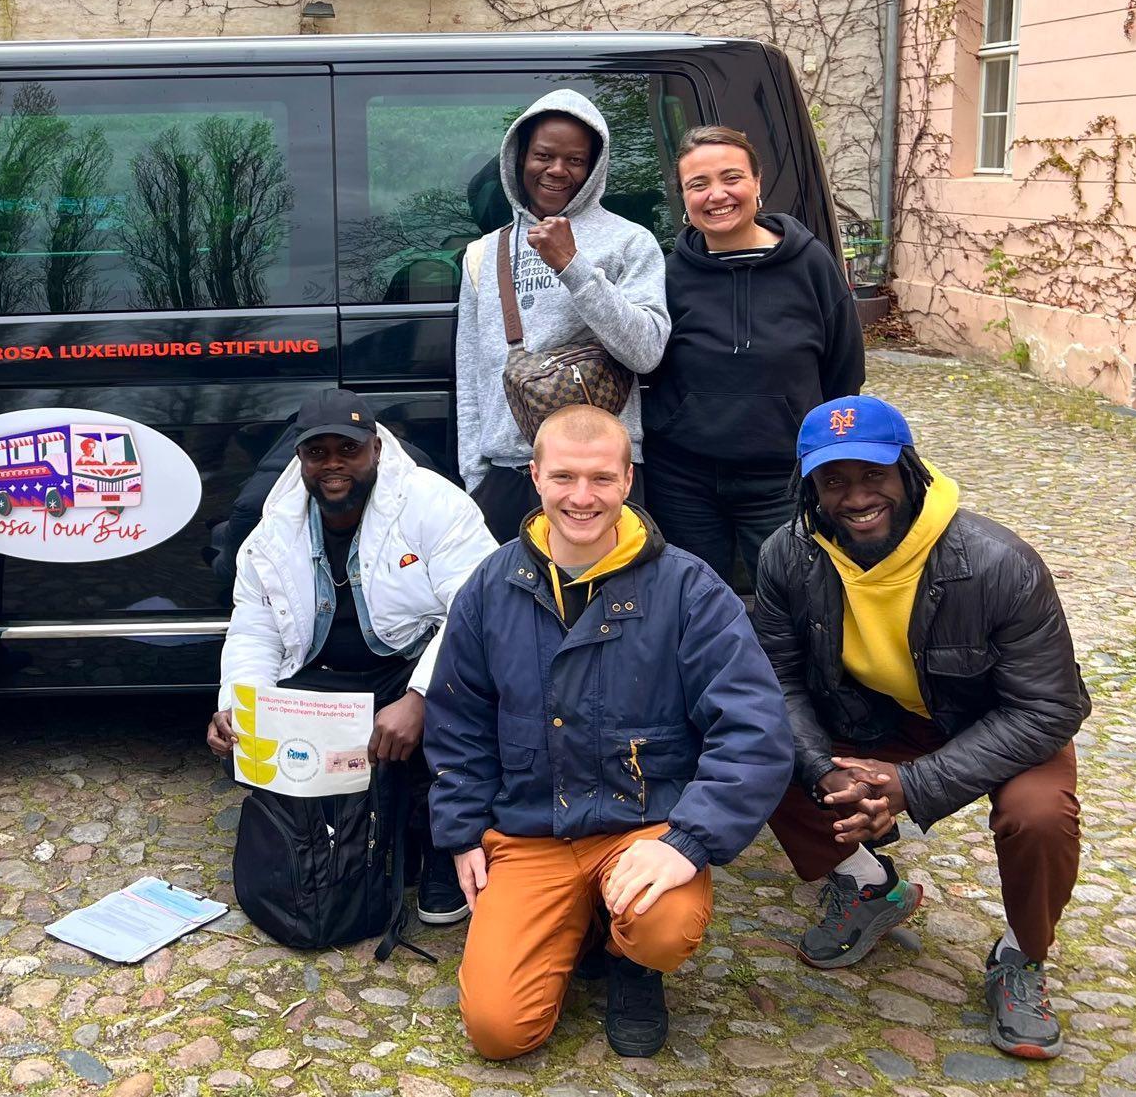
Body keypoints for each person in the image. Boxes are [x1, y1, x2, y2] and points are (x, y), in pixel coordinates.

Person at [425, 405, 791, 1060]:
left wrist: (689, 840)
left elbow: (754, 728)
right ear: (536, 476)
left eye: (601, 478)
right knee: (498, 1031)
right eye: (564, 476)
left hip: (641, 825)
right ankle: (584, 921)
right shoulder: (489, 586)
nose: (582, 496)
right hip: (531, 831)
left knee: (664, 925)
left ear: (627, 479)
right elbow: (458, 719)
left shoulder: (689, 588)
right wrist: (461, 830)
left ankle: (631, 962)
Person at [756, 395, 1088, 1060]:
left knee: (1040, 814)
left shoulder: (998, 563)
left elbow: (1049, 707)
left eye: (873, 474)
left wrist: (914, 785)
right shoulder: (788, 555)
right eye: (833, 480)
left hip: (993, 722)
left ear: (909, 470)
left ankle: (1021, 956)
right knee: (755, 742)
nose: (856, 497)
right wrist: (823, 771)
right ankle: (868, 883)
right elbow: (777, 682)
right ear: (810, 488)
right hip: (872, 719)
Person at [206, 389, 496, 924]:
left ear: (376, 448)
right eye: (317, 453)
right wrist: (238, 704)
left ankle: (442, 845)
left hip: (407, 665)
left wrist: (421, 697)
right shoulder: (272, 528)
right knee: (259, 748)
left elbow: (477, 609)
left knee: (462, 708)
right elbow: (255, 627)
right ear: (300, 458)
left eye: (349, 449)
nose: (333, 465)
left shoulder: (434, 503)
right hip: (325, 676)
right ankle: (340, 851)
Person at [644, 125, 864, 586]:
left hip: (782, 478)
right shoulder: (668, 275)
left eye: (731, 178)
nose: (716, 195)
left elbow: (843, 371)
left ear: (757, 182)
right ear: (683, 197)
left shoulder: (811, 264)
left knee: (794, 598)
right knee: (690, 600)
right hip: (684, 479)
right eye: (698, 184)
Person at [453, 90, 669, 543]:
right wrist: (476, 477)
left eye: (575, 160)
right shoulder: (483, 252)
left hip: (600, 477)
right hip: (509, 474)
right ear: (519, 158)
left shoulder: (630, 242)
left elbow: (646, 350)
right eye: (543, 156)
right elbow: (472, 374)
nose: (557, 170)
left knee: (608, 589)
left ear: (593, 168)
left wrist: (572, 265)